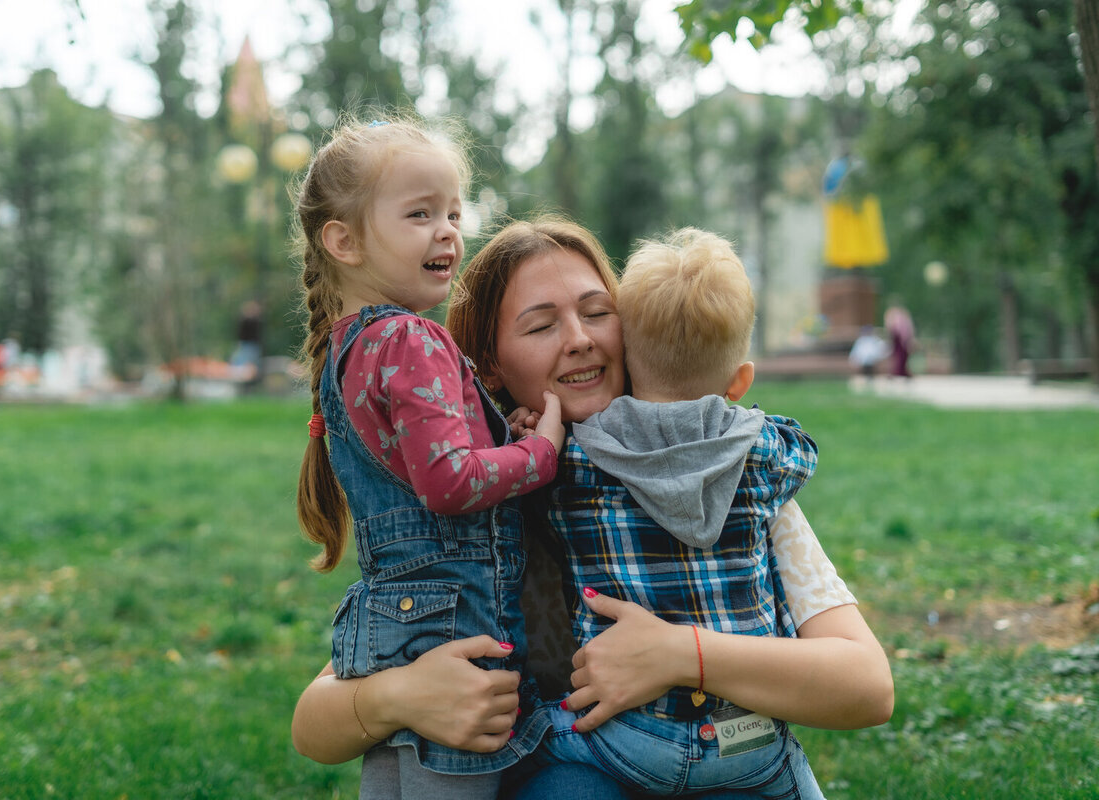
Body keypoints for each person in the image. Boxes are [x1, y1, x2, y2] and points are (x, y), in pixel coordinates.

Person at [291, 216, 894, 800]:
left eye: (597, 312)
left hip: (732, 767)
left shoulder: (720, 473)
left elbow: (866, 686)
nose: (580, 338)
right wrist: (396, 697)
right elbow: (312, 724)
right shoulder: (478, 507)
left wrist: (681, 654)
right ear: (488, 366)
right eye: (540, 326)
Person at [292, 115, 565, 799]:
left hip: (399, 625)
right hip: (459, 626)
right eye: (419, 213)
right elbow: (448, 482)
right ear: (344, 240)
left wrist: (504, 431)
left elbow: (422, 461)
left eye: (452, 212)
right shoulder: (413, 339)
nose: (447, 230)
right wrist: (539, 451)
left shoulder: (349, 346)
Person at [522, 228, 822, 796]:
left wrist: (534, 431)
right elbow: (803, 453)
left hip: (630, 736)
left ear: (628, 360)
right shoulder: (766, 453)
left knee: (535, 735)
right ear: (740, 380)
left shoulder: (575, 461)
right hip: (750, 737)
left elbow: (535, 470)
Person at [884, 304, 916, 378]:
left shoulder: (898, 319)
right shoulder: (900, 320)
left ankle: (899, 371)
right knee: (899, 356)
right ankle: (898, 371)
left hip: (900, 340)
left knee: (900, 356)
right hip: (899, 340)